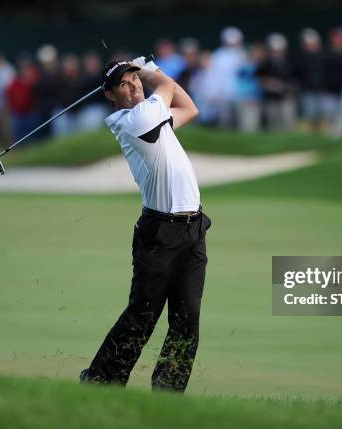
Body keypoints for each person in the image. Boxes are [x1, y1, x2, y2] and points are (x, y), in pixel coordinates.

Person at [81, 57, 211, 393]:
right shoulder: (134, 120)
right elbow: (167, 87)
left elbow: (189, 107)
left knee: (187, 319)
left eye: (134, 79)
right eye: (124, 83)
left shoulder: (154, 118)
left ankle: (168, 391)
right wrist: (148, 68)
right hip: (159, 233)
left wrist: (143, 68)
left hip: (193, 228)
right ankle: (101, 381)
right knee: (142, 316)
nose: (134, 85)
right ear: (110, 96)